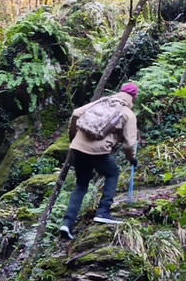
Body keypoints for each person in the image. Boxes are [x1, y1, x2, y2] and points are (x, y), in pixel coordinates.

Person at [59, 83, 139, 239]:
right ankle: (103, 211)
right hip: (98, 151)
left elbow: (76, 113)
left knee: (81, 184)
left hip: (77, 148)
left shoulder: (102, 101)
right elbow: (129, 144)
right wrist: (132, 159)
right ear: (133, 98)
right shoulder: (128, 114)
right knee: (112, 173)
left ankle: (67, 224)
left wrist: (73, 137)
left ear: (120, 91)